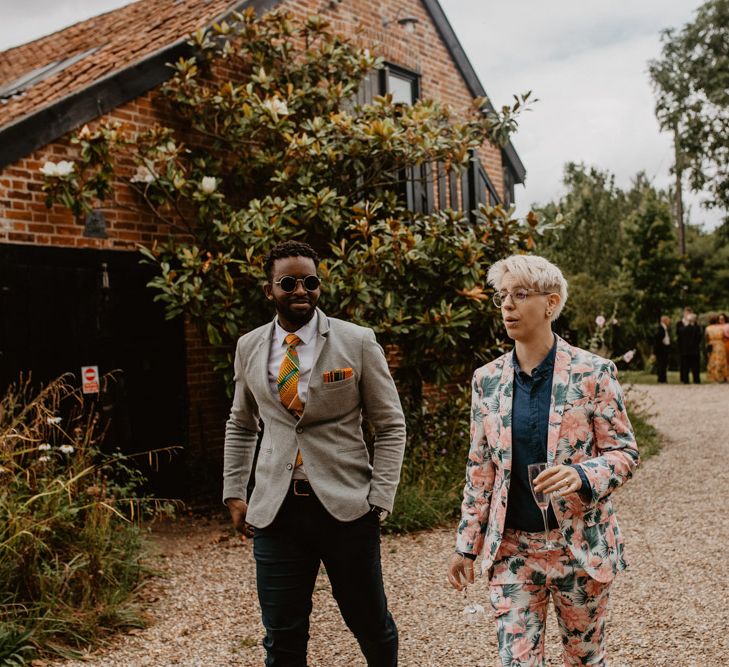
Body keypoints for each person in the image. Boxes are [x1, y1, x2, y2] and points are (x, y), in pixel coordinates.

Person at [446, 254, 640, 667]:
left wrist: (581, 474)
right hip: (514, 549)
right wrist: (467, 545)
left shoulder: (594, 372)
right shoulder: (487, 380)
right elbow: (480, 468)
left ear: (551, 303)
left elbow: (625, 452)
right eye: (502, 296)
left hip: (580, 548)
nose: (508, 305)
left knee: (584, 659)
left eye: (520, 294)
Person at [223, 240, 406, 666]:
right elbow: (241, 423)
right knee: (282, 636)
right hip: (277, 511)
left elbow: (391, 423)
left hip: (346, 508)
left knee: (370, 624)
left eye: (310, 281)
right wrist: (235, 491)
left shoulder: (356, 341)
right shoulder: (249, 346)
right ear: (270, 290)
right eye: (288, 282)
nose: (301, 290)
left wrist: (380, 496)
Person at [676, 309, 702, 384]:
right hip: (684, 348)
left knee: (695, 365)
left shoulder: (696, 325)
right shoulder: (680, 324)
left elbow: (699, 336)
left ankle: (696, 379)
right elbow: (679, 334)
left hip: (694, 348)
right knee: (685, 365)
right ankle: (685, 379)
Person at [706, 314, 729, 383]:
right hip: (720, 344)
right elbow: (724, 335)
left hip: (711, 344)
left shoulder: (708, 328)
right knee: (722, 361)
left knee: (713, 361)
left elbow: (706, 337)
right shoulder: (720, 328)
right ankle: (723, 376)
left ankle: (715, 377)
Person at [653, 314, 672, 383]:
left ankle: (663, 378)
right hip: (661, 350)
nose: (669, 322)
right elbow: (657, 340)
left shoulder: (665, 328)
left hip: (665, 349)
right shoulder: (660, 328)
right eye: (668, 320)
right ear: (664, 321)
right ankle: (661, 379)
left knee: (664, 364)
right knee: (661, 364)